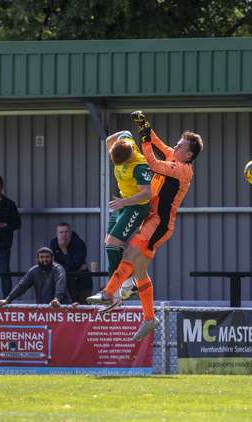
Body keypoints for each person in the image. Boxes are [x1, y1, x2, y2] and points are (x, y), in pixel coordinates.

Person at [88, 111, 203, 341]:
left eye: (180, 145)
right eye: (178, 143)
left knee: (130, 251)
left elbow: (151, 160)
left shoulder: (182, 170)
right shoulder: (174, 157)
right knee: (139, 268)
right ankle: (149, 319)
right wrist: (145, 126)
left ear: (188, 154)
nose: (176, 146)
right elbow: (158, 142)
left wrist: (144, 139)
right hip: (152, 218)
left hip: (160, 223)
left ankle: (109, 292)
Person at [103, 130, 152, 295]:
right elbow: (112, 138)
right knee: (109, 244)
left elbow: (147, 193)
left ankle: (113, 292)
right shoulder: (123, 141)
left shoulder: (139, 165)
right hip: (123, 203)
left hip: (137, 206)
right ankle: (128, 282)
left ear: (128, 159)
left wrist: (123, 202)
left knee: (113, 243)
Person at [0, 247, 69, 307]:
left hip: (61, 308)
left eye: (47, 257)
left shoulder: (58, 269)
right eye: (41, 257)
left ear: (52, 258)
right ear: (37, 259)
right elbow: (21, 286)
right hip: (43, 309)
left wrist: (57, 299)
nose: (45, 259)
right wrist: (7, 300)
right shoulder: (34, 271)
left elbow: (60, 285)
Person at [50, 223, 92, 304]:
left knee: (83, 305)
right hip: (64, 280)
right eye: (61, 232)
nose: (64, 235)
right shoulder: (53, 243)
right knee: (63, 305)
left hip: (82, 280)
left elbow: (76, 265)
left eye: (66, 232)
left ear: (70, 233)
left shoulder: (79, 243)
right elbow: (54, 265)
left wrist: (64, 250)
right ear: (57, 233)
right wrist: (67, 267)